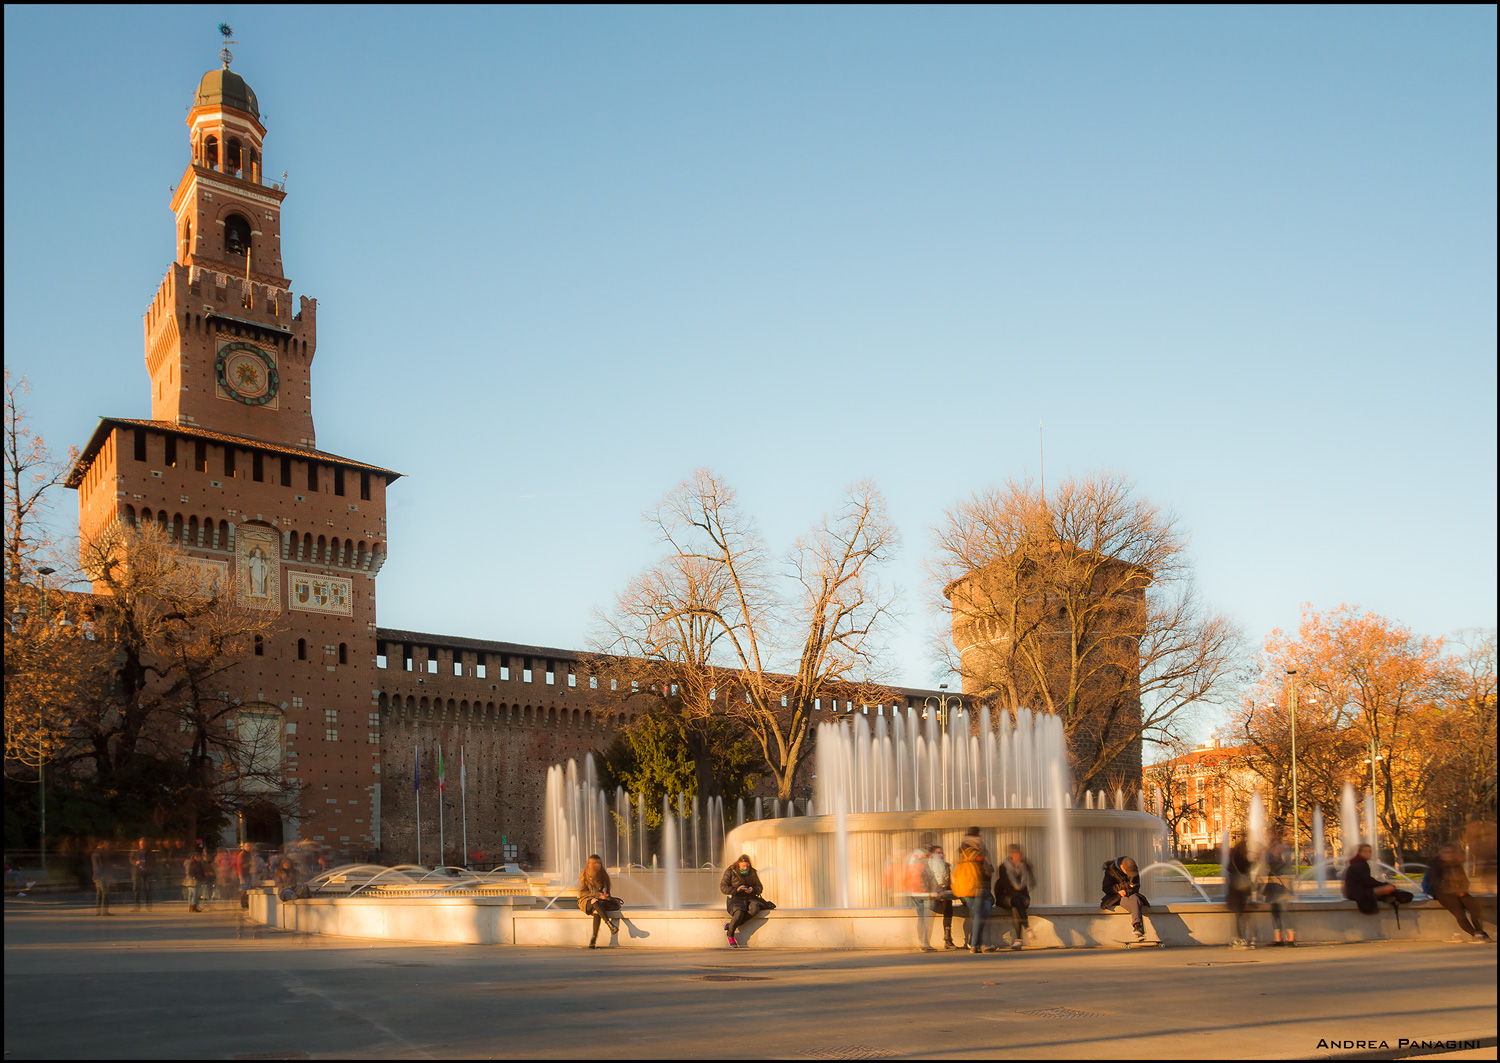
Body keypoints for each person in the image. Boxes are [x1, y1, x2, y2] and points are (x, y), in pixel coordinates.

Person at [1424, 845, 1491, 943]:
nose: (1448, 855)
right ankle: (1475, 934)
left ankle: (1480, 931)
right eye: (1446, 852)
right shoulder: (1435, 864)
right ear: (1440, 854)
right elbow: (1436, 882)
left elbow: (1464, 880)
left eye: (1450, 852)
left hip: (1458, 891)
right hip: (1442, 892)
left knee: (1476, 908)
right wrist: (1454, 890)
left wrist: (1462, 889)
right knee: (1459, 913)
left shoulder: (1456, 864)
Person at [952, 828, 994, 954]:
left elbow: (955, 870)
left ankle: (978, 943)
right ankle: (976, 943)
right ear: (977, 836)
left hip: (964, 888)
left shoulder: (960, 851)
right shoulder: (980, 849)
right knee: (980, 913)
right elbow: (987, 872)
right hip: (978, 887)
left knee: (979, 912)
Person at [1343, 844, 1411, 915]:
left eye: (1370, 852)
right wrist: (1383, 885)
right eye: (1365, 852)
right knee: (1390, 888)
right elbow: (1367, 881)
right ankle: (1385, 897)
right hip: (1359, 893)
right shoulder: (1360, 864)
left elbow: (1365, 880)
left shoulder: (1357, 863)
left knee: (1388, 888)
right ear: (1359, 853)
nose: (1368, 854)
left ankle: (1385, 897)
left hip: (1355, 892)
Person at [720, 853, 768, 949]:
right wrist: (736, 890)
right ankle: (730, 934)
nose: (745, 868)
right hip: (734, 898)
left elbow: (760, 887)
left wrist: (752, 890)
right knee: (739, 913)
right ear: (738, 864)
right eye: (743, 866)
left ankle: (732, 924)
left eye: (747, 866)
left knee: (755, 909)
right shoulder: (730, 871)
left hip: (749, 898)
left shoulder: (753, 872)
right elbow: (723, 887)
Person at [1100, 856, 1150, 941]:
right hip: (1116, 897)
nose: (1129, 874)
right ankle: (1138, 927)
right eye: (1127, 872)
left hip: (1131, 894)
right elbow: (1106, 888)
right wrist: (1119, 891)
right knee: (1131, 902)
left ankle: (1137, 926)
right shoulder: (1111, 871)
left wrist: (1126, 891)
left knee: (1136, 899)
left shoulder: (1133, 869)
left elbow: (1136, 886)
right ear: (1122, 866)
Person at [577, 854, 622, 949]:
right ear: (589, 864)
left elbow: (608, 891)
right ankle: (609, 925)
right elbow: (583, 893)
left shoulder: (604, 876)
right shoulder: (583, 876)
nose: (597, 865)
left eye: (599, 863)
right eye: (595, 863)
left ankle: (593, 939)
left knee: (596, 911)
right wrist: (597, 895)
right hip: (587, 901)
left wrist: (605, 896)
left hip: (600, 902)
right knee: (594, 901)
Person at [995, 844, 1036, 949]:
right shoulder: (1004, 866)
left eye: (1018, 852)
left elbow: (1032, 882)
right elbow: (1006, 886)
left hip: (1020, 898)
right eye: (1015, 852)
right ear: (1011, 854)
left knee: (1016, 907)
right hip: (1004, 897)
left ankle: (1018, 941)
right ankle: (1027, 928)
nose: (1017, 855)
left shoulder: (1025, 866)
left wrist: (1025, 897)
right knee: (1016, 901)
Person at [1262, 831, 1295, 947]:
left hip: (1282, 887)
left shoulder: (1284, 856)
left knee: (1284, 913)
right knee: (1276, 912)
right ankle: (1278, 939)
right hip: (1274, 887)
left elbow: (1287, 868)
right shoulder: (1271, 856)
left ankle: (1290, 939)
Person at [926, 842, 960, 949]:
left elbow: (951, 882)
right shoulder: (928, 867)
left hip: (944, 895)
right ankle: (943, 939)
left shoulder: (946, 866)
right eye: (938, 853)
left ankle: (948, 937)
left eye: (942, 853)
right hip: (932, 895)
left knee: (947, 905)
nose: (941, 855)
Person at [1225, 837, 1255, 948]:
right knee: (1239, 916)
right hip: (1241, 890)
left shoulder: (1233, 857)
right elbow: (1248, 868)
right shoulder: (1242, 858)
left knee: (1238, 916)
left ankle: (1237, 938)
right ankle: (1239, 938)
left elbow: (1228, 870)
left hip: (1234, 889)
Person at [130, 839, 152, 911]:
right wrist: (135, 862)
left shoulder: (149, 852)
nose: (143, 845)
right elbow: (130, 859)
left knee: (147, 888)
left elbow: (153, 860)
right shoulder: (135, 851)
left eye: (144, 844)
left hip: (146, 872)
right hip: (137, 872)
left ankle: (148, 906)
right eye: (141, 844)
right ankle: (136, 906)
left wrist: (149, 866)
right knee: (136, 888)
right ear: (139, 844)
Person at [91, 841, 112, 916]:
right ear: (102, 845)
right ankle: (104, 911)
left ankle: (98, 911)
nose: (107, 847)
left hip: (96, 876)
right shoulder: (101, 854)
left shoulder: (94, 853)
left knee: (99, 893)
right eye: (106, 845)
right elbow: (103, 865)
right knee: (105, 891)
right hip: (101, 876)